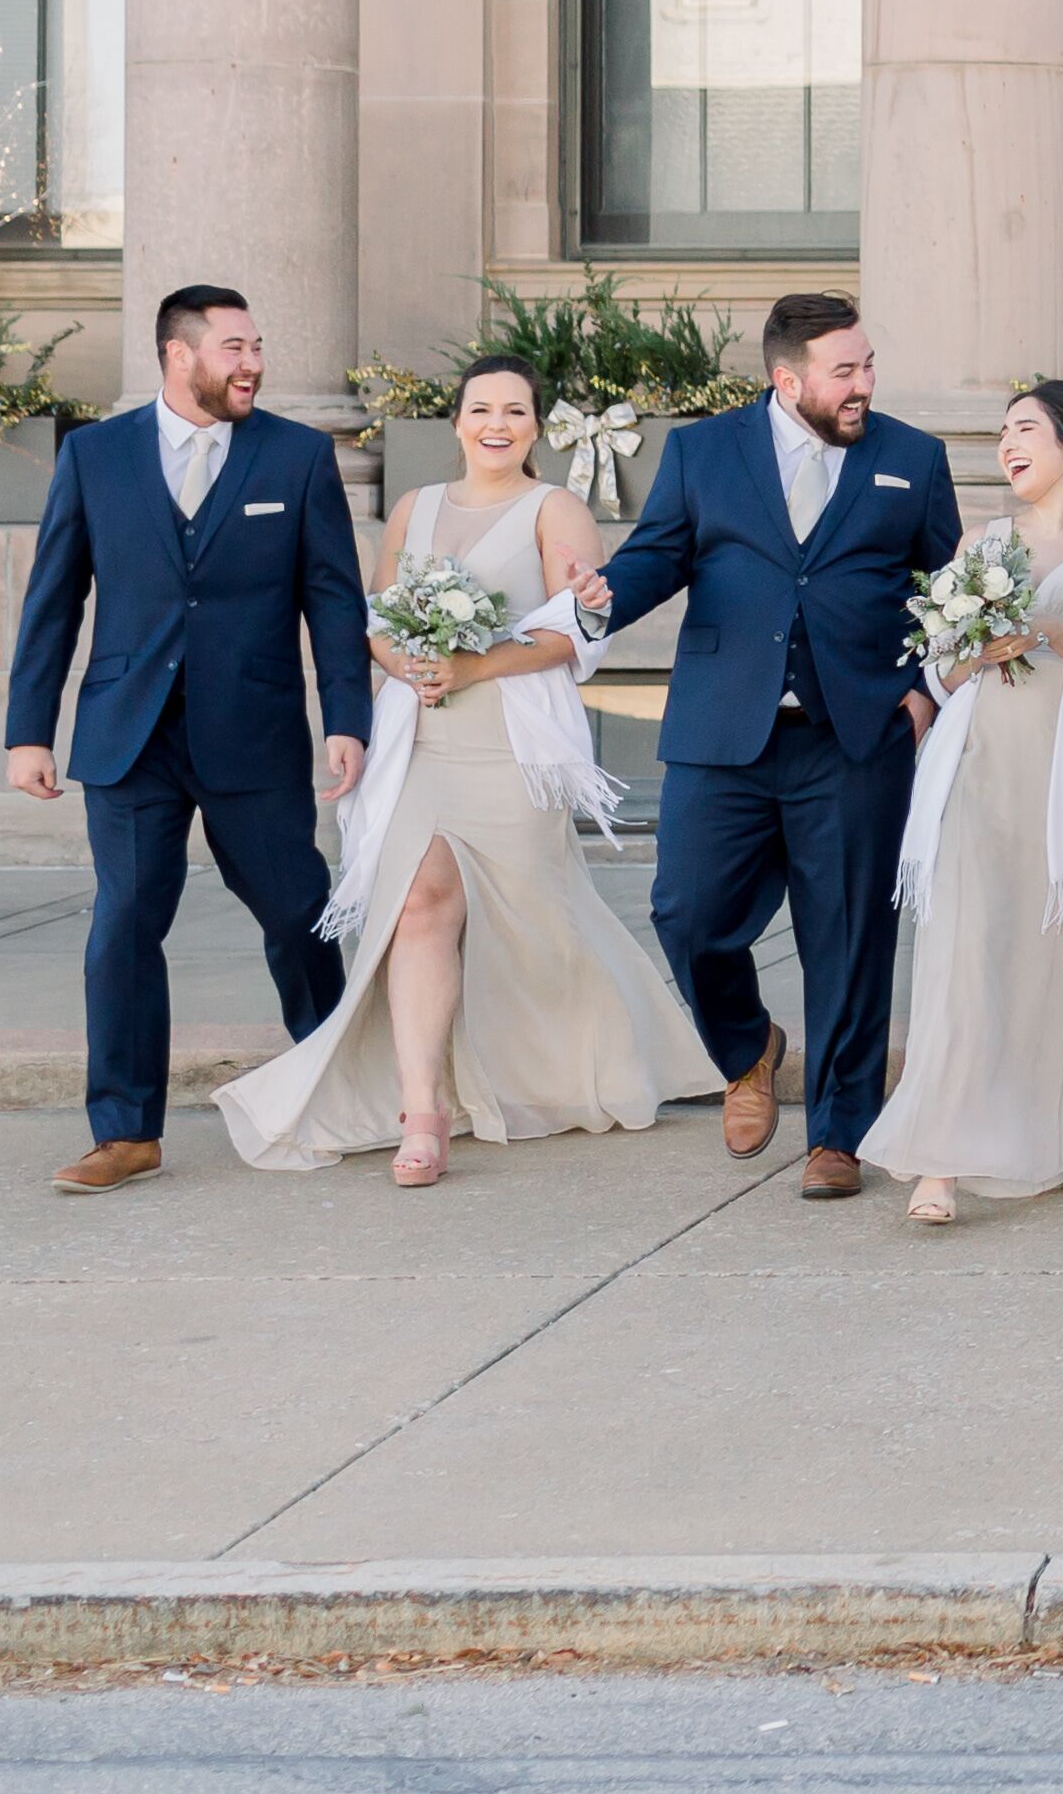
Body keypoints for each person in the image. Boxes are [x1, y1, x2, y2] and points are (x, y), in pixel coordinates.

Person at [215, 354, 720, 1180]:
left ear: (535, 427)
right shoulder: (412, 509)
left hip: (512, 744)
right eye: (481, 409)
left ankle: (561, 1064)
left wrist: (476, 664)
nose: (497, 424)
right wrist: (404, 662)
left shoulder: (554, 510)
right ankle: (424, 1110)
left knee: (533, 924)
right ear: (455, 422)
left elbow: (579, 631)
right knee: (419, 902)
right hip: (422, 738)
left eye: (516, 412)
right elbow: (370, 619)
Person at [572, 292, 965, 1199]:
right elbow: (656, 558)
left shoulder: (912, 457)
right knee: (688, 915)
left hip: (858, 734)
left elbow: (951, 589)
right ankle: (747, 1047)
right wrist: (600, 598)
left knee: (851, 939)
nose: (863, 385)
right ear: (786, 379)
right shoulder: (704, 451)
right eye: (844, 372)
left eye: (868, 366)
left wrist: (922, 698)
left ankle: (840, 1132)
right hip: (724, 730)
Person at [3, 284, 373, 1195]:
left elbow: (333, 598)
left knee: (299, 913)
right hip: (130, 733)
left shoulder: (295, 455)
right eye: (234, 348)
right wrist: (27, 731)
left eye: (257, 347)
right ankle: (125, 1132)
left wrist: (348, 721)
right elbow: (54, 598)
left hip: (252, 729)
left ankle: (338, 1087)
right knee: (125, 922)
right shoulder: (95, 455)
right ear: (179, 355)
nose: (252, 364)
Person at [862, 380, 1063, 1223]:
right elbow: (941, 671)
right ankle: (939, 1159)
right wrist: (976, 649)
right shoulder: (981, 542)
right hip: (982, 760)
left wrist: (1052, 632)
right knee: (964, 950)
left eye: (1026, 429)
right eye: (1002, 434)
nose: (1008, 445)